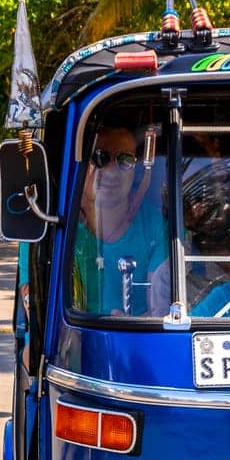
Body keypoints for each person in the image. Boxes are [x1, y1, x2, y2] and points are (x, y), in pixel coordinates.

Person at [71, 124, 166, 316]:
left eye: (125, 160)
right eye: (101, 158)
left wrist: (132, 327)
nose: (112, 171)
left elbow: (161, 307)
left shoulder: (155, 224)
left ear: (136, 170)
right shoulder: (59, 225)